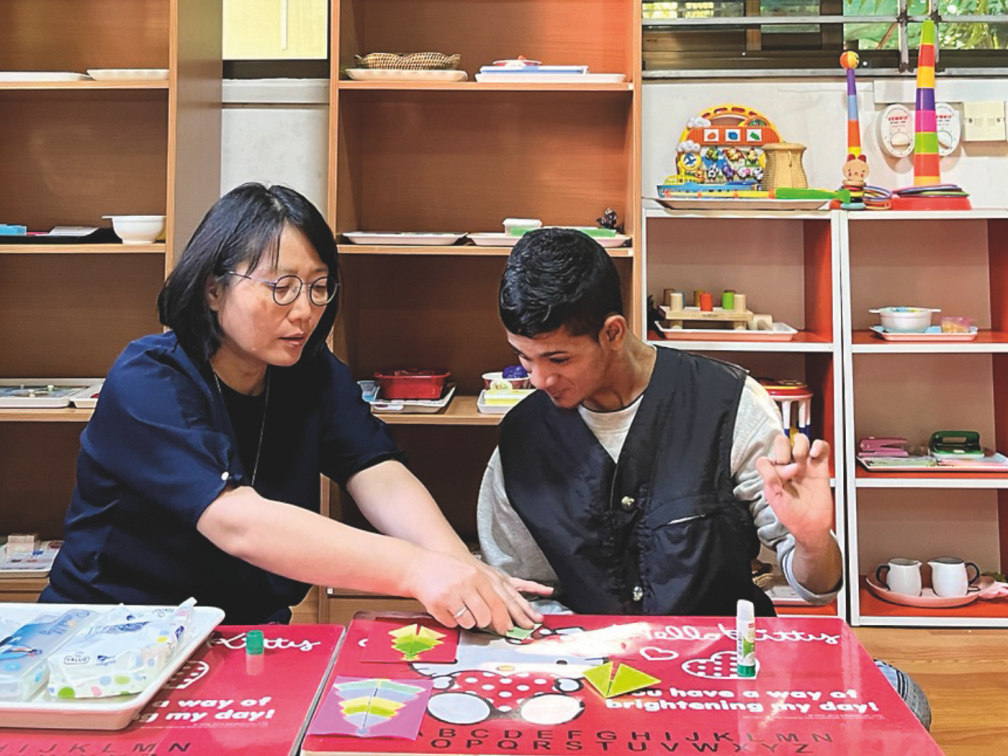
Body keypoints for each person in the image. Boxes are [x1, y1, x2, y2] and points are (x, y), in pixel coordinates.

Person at [40, 183, 549, 629]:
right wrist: (415, 568)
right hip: (110, 632)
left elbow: (375, 470)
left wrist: (458, 566)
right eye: (281, 287)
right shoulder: (148, 380)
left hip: (239, 638)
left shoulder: (310, 371)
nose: (304, 310)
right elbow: (238, 522)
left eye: (319, 287)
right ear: (213, 289)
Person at [477, 227, 843, 617]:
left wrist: (812, 539)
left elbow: (817, 590)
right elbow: (525, 596)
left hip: (720, 666)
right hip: (585, 668)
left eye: (559, 360)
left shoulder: (729, 404)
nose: (538, 379)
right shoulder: (521, 442)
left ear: (613, 332)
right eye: (524, 357)